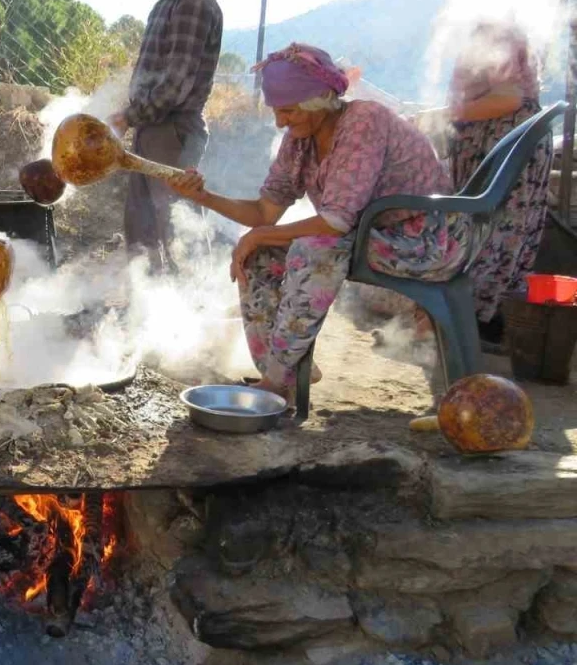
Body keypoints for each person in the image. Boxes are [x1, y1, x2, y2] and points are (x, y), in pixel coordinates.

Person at [166, 43, 471, 400]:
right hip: (373, 235)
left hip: (429, 238)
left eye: (289, 111)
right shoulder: (299, 140)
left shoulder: (364, 122)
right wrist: (204, 196)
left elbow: (336, 222)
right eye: (277, 112)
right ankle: (285, 374)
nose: (281, 121)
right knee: (259, 253)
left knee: (314, 248)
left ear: (320, 100)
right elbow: (265, 213)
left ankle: (276, 381)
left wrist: (263, 233)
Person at [418, 0, 551, 350]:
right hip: (492, 147)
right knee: (477, 234)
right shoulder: (489, 29)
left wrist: (445, 115)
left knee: (487, 237)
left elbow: (508, 97)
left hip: (504, 149)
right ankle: (463, 325)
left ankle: (464, 326)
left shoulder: (502, 31)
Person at [109, 0, 223, 271]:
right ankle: (151, 309)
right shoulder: (167, 3)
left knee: (177, 231)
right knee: (142, 229)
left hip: (173, 133)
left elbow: (175, 86)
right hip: (154, 130)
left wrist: (128, 117)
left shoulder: (192, 3)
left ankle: (194, 309)